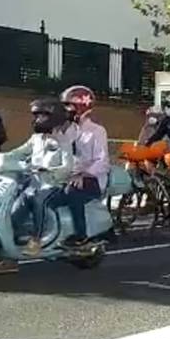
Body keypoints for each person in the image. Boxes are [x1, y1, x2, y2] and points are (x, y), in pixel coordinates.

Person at [7, 98, 75, 256]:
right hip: (34, 184)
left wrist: (49, 170)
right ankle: (13, 237)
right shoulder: (35, 139)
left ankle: (36, 240)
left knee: (39, 200)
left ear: (53, 118)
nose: (37, 120)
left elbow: (68, 167)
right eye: (37, 117)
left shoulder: (63, 141)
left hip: (54, 185)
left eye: (41, 117)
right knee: (17, 204)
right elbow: (18, 152)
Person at [58, 85, 110, 248]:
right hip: (66, 176)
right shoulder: (63, 130)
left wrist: (82, 174)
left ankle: (81, 236)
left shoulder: (96, 131)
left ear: (81, 107)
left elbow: (102, 161)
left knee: (72, 193)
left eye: (69, 106)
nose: (65, 110)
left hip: (91, 180)